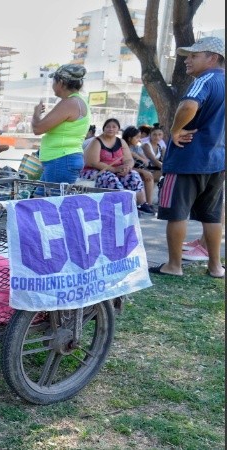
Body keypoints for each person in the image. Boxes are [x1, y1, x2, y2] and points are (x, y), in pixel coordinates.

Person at [153, 36, 225, 278]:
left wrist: (175, 130)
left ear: (212, 58)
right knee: (212, 217)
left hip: (187, 159)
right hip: (216, 161)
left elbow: (188, 106)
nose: (187, 60)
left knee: (176, 213)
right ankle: (215, 267)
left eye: (194, 55)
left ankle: (174, 266)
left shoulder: (204, 80)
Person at [31, 64, 91, 184]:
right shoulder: (77, 101)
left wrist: (36, 113)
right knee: (40, 194)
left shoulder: (70, 103)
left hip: (61, 160)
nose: (52, 85)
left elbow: (37, 128)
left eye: (54, 81)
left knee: (52, 196)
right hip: (62, 159)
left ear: (61, 83)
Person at [80, 118, 152, 213]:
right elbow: (93, 162)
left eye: (114, 127)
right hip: (96, 171)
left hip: (117, 170)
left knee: (133, 175)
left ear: (118, 129)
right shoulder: (96, 141)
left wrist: (127, 167)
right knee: (110, 178)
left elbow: (129, 159)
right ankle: (124, 206)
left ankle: (141, 203)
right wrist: (113, 169)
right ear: (104, 128)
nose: (111, 129)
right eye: (108, 127)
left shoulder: (121, 142)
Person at [123, 125, 155, 208]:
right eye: (137, 137)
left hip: (137, 170)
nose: (139, 139)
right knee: (145, 174)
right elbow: (125, 166)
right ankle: (141, 203)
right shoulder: (122, 148)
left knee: (149, 176)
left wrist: (136, 155)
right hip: (127, 170)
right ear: (129, 138)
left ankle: (149, 204)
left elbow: (146, 162)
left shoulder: (137, 148)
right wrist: (142, 171)